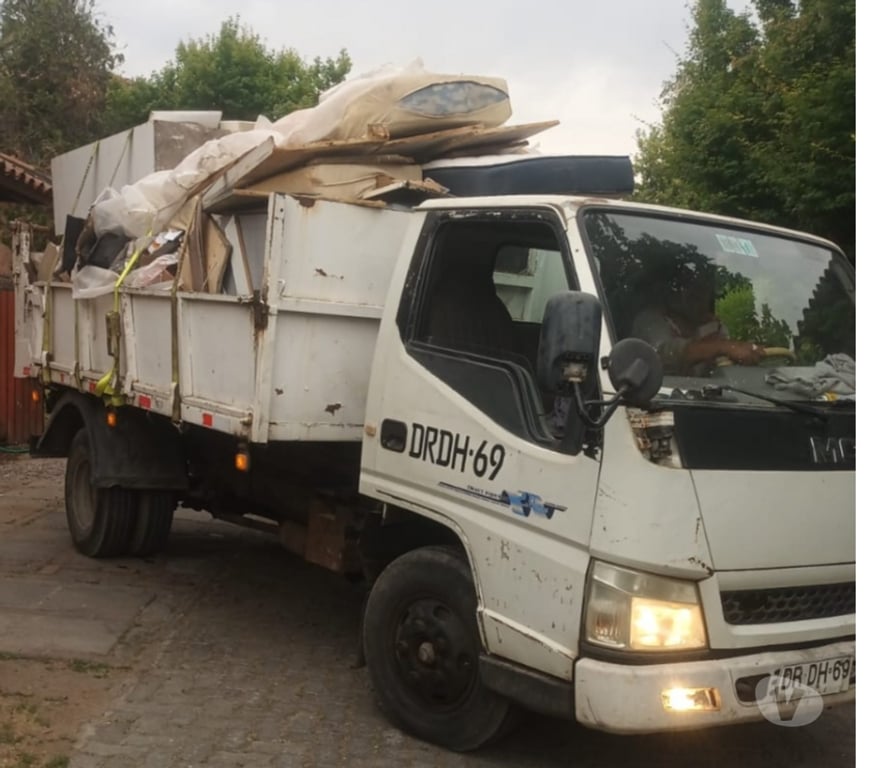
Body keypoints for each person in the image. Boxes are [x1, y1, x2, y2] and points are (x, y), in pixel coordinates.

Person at [632, 270, 764, 375]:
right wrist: (723, 347)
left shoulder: (714, 327)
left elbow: (728, 366)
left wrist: (749, 353)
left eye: (703, 289)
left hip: (714, 399)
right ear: (672, 292)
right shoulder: (650, 320)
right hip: (660, 400)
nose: (697, 297)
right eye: (690, 290)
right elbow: (666, 355)